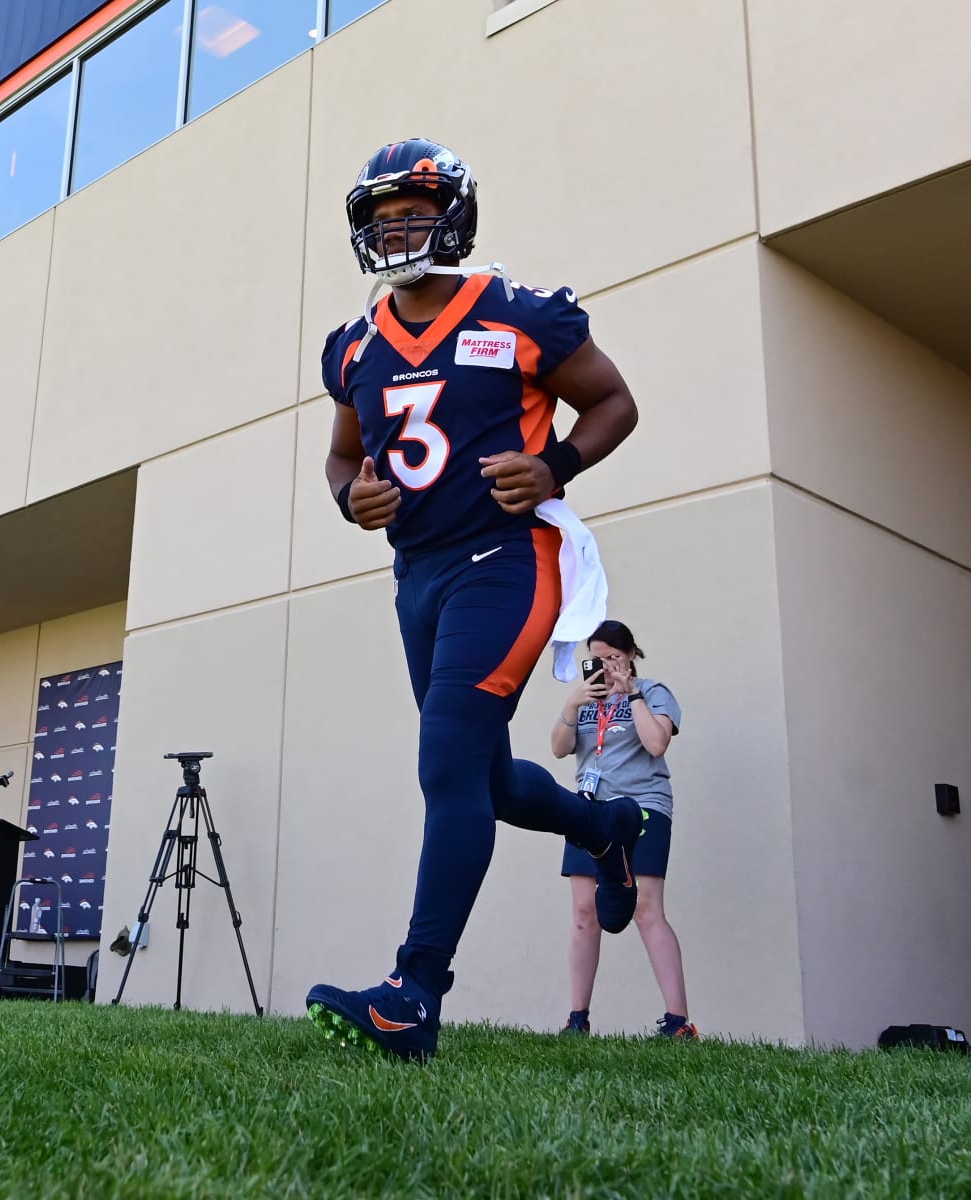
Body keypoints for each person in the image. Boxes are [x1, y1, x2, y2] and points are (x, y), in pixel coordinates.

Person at [306, 138, 641, 1061]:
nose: (394, 229)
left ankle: (415, 993)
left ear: (452, 213)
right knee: (480, 779)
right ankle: (605, 827)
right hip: (418, 575)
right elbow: (344, 455)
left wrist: (556, 465)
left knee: (447, 765)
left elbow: (613, 400)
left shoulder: (516, 311)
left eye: (411, 211)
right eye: (379, 218)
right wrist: (349, 498)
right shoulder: (356, 343)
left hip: (508, 557)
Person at [551, 620, 696, 1039]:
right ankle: (577, 1018)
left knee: (645, 908)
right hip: (590, 809)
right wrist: (574, 702)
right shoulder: (587, 700)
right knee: (583, 911)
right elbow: (559, 748)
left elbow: (656, 744)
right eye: (598, 659)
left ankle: (678, 1021)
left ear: (631, 655)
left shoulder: (653, 692)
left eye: (614, 657)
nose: (608, 666)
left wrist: (630, 693)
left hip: (642, 807)